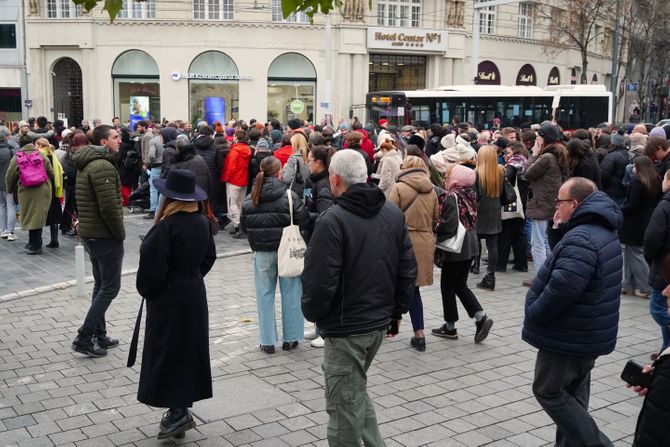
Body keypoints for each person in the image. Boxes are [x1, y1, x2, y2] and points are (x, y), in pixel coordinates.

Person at [301, 149, 415, 445]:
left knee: (343, 409)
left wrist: (316, 316)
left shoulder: (332, 220)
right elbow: (407, 270)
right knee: (354, 394)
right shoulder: (391, 212)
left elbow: (318, 282)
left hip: (346, 327)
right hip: (376, 322)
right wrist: (395, 313)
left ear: (335, 179)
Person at [523, 177, 622, 447]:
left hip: (569, 334)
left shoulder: (583, 237)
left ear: (574, 203)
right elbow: (567, 260)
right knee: (574, 394)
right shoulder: (598, 227)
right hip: (585, 332)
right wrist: (558, 228)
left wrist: (535, 311)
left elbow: (563, 288)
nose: (557, 205)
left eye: (560, 201)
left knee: (549, 391)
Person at [134, 169, 216, 440]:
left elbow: (150, 273)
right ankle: (179, 409)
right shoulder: (202, 223)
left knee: (168, 352)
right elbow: (208, 258)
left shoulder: (165, 228)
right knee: (188, 351)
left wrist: (153, 290)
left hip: (168, 298)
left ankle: (178, 411)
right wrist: (191, 277)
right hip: (193, 293)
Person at [241, 156, 307, 354]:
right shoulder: (289, 195)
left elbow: (245, 227)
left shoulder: (250, 198)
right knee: (292, 293)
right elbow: (302, 220)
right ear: (279, 172)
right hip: (287, 249)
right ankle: (291, 338)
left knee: (264, 295)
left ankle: (267, 340)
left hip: (261, 251)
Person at [71, 125, 125, 358]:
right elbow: (109, 207)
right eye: (115, 137)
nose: (119, 140)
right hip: (104, 235)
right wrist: (119, 233)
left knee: (101, 284)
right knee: (110, 287)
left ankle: (99, 334)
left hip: (91, 233)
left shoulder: (88, 162)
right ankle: (84, 337)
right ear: (103, 142)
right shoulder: (102, 165)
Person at [432, 164, 494, 342]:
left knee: (448, 286)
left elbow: (450, 224)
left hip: (456, 247)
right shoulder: (470, 193)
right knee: (460, 284)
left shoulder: (452, 196)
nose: (447, 177)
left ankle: (450, 327)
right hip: (470, 245)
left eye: (449, 175)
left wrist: (437, 229)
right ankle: (480, 317)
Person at [388, 155, 439, 352]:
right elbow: (436, 217)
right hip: (425, 241)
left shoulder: (399, 188)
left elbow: (390, 216)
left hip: (403, 241)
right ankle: (420, 334)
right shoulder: (431, 190)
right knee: (414, 289)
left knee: (396, 285)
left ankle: (393, 326)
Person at [522, 123, 570, 274]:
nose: (536, 140)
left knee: (537, 243)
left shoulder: (546, 157)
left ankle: (542, 277)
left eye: (538, 137)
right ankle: (550, 273)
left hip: (542, 203)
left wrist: (534, 154)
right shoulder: (559, 153)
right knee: (547, 241)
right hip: (552, 202)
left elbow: (527, 173)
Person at [5, 136, 54, 254]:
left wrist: (10, 189)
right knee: (38, 216)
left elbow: (10, 176)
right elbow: (51, 172)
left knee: (29, 215)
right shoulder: (41, 155)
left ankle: (35, 245)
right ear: (33, 143)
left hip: (26, 190)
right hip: (43, 189)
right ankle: (34, 243)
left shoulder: (17, 157)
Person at [620, 156, 660, 298]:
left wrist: (619, 209)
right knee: (631, 254)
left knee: (635, 254)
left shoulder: (638, 182)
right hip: (645, 220)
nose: (633, 168)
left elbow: (632, 205)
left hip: (633, 223)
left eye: (635, 165)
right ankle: (628, 285)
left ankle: (644, 286)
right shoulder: (654, 179)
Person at [643, 169, 670, 355]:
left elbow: (652, 238)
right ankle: (666, 348)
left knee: (658, 308)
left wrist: (651, 257)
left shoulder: (665, 206)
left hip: (665, 264)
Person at [472, 145, 504, 290]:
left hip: (479, 211)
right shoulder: (500, 172)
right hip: (494, 211)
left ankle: (476, 265)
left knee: (475, 240)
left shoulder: (475, 173)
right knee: (492, 246)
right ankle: (490, 276)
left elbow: (473, 196)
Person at [497, 142, 529, 273]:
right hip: (521, 201)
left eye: (508, 153)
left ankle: (501, 264)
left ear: (516, 152)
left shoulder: (515, 162)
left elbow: (506, 176)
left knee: (506, 232)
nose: (506, 156)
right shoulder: (525, 160)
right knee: (518, 233)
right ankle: (521, 264)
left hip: (512, 202)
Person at [221, 129, 252, 238]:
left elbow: (231, 167)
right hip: (243, 179)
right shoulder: (247, 149)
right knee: (240, 203)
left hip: (234, 180)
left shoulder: (235, 150)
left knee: (232, 204)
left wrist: (226, 178)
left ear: (237, 137)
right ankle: (240, 225)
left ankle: (238, 226)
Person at [35, 138, 63, 248]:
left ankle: (38, 241)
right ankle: (54, 240)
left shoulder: (39, 156)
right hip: (54, 188)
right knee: (54, 216)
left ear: (40, 146)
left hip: (44, 188)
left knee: (40, 215)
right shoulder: (53, 155)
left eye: (36, 145)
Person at [600, 130, 629, 207]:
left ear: (613, 143)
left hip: (611, 191)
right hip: (622, 190)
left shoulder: (611, 156)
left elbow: (603, 175)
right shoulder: (628, 154)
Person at [0, 131, 17, 241]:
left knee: (2, 206)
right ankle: (10, 231)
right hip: (9, 182)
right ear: (5, 138)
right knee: (11, 206)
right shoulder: (11, 150)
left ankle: (2, 229)